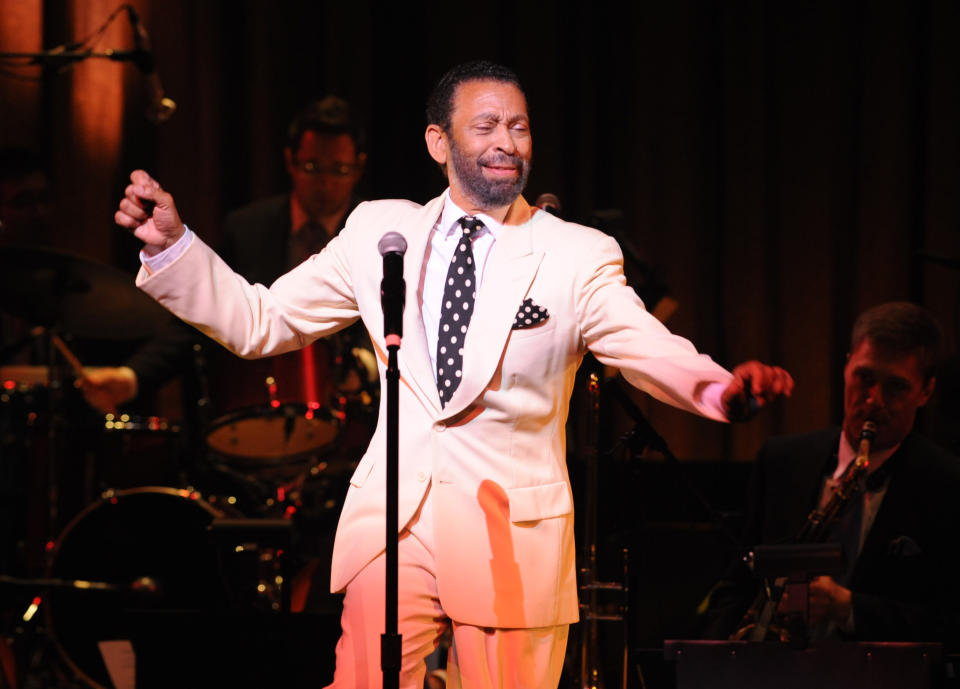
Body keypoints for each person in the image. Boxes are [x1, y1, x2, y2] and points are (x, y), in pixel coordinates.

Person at [114, 60, 793, 688]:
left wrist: (721, 388)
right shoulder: (381, 232)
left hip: (509, 536)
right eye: (487, 125)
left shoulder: (574, 254)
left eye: (519, 126)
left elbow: (644, 345)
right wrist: (176, 247)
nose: (507, 141)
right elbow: (259, 320)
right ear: (439, 142)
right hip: (396, 523)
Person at [81, 96, 371, 414]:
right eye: (313, 167)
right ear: (291, 161)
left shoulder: (373, 233)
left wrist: (365, 367)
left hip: (353, 418)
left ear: (359, 168)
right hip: (248, 413)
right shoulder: (247, 228)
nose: (326, 183)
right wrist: (132, 375)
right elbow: (211, 319)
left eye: (339, 170)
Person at [700, 301, 960, 646]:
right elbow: (738, 586)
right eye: (863, 378)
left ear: (926, 391)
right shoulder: (781, 461)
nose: (873, 400)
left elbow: (950, 623)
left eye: (896, 387)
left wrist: (849, 608)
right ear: (847, 364)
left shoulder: (948, 484)